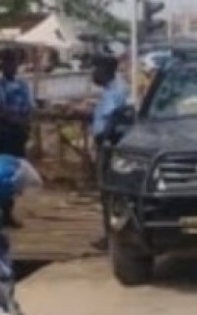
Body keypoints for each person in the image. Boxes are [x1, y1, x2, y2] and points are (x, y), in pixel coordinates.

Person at [0, 50, 34, 228]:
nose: (11, 66)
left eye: (13, 63)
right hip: (1, 134)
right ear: (2, 65)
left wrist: (24, 123)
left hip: (17, 135)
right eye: (7, 63)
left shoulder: (23, 85)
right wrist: (16, 122)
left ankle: (7, 212)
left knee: (13, 175)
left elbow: (29, 107)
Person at [89, 56, 128, 252]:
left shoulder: (117, 90)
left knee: (108, 191)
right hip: (104, 143)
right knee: (105, 192)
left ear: (106, 69)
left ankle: (112, 235)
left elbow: (113, 119)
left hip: (109, 145)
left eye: (96, 68)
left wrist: (103, 139)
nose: (93, 73)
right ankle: (109, 233)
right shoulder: (108, 90)